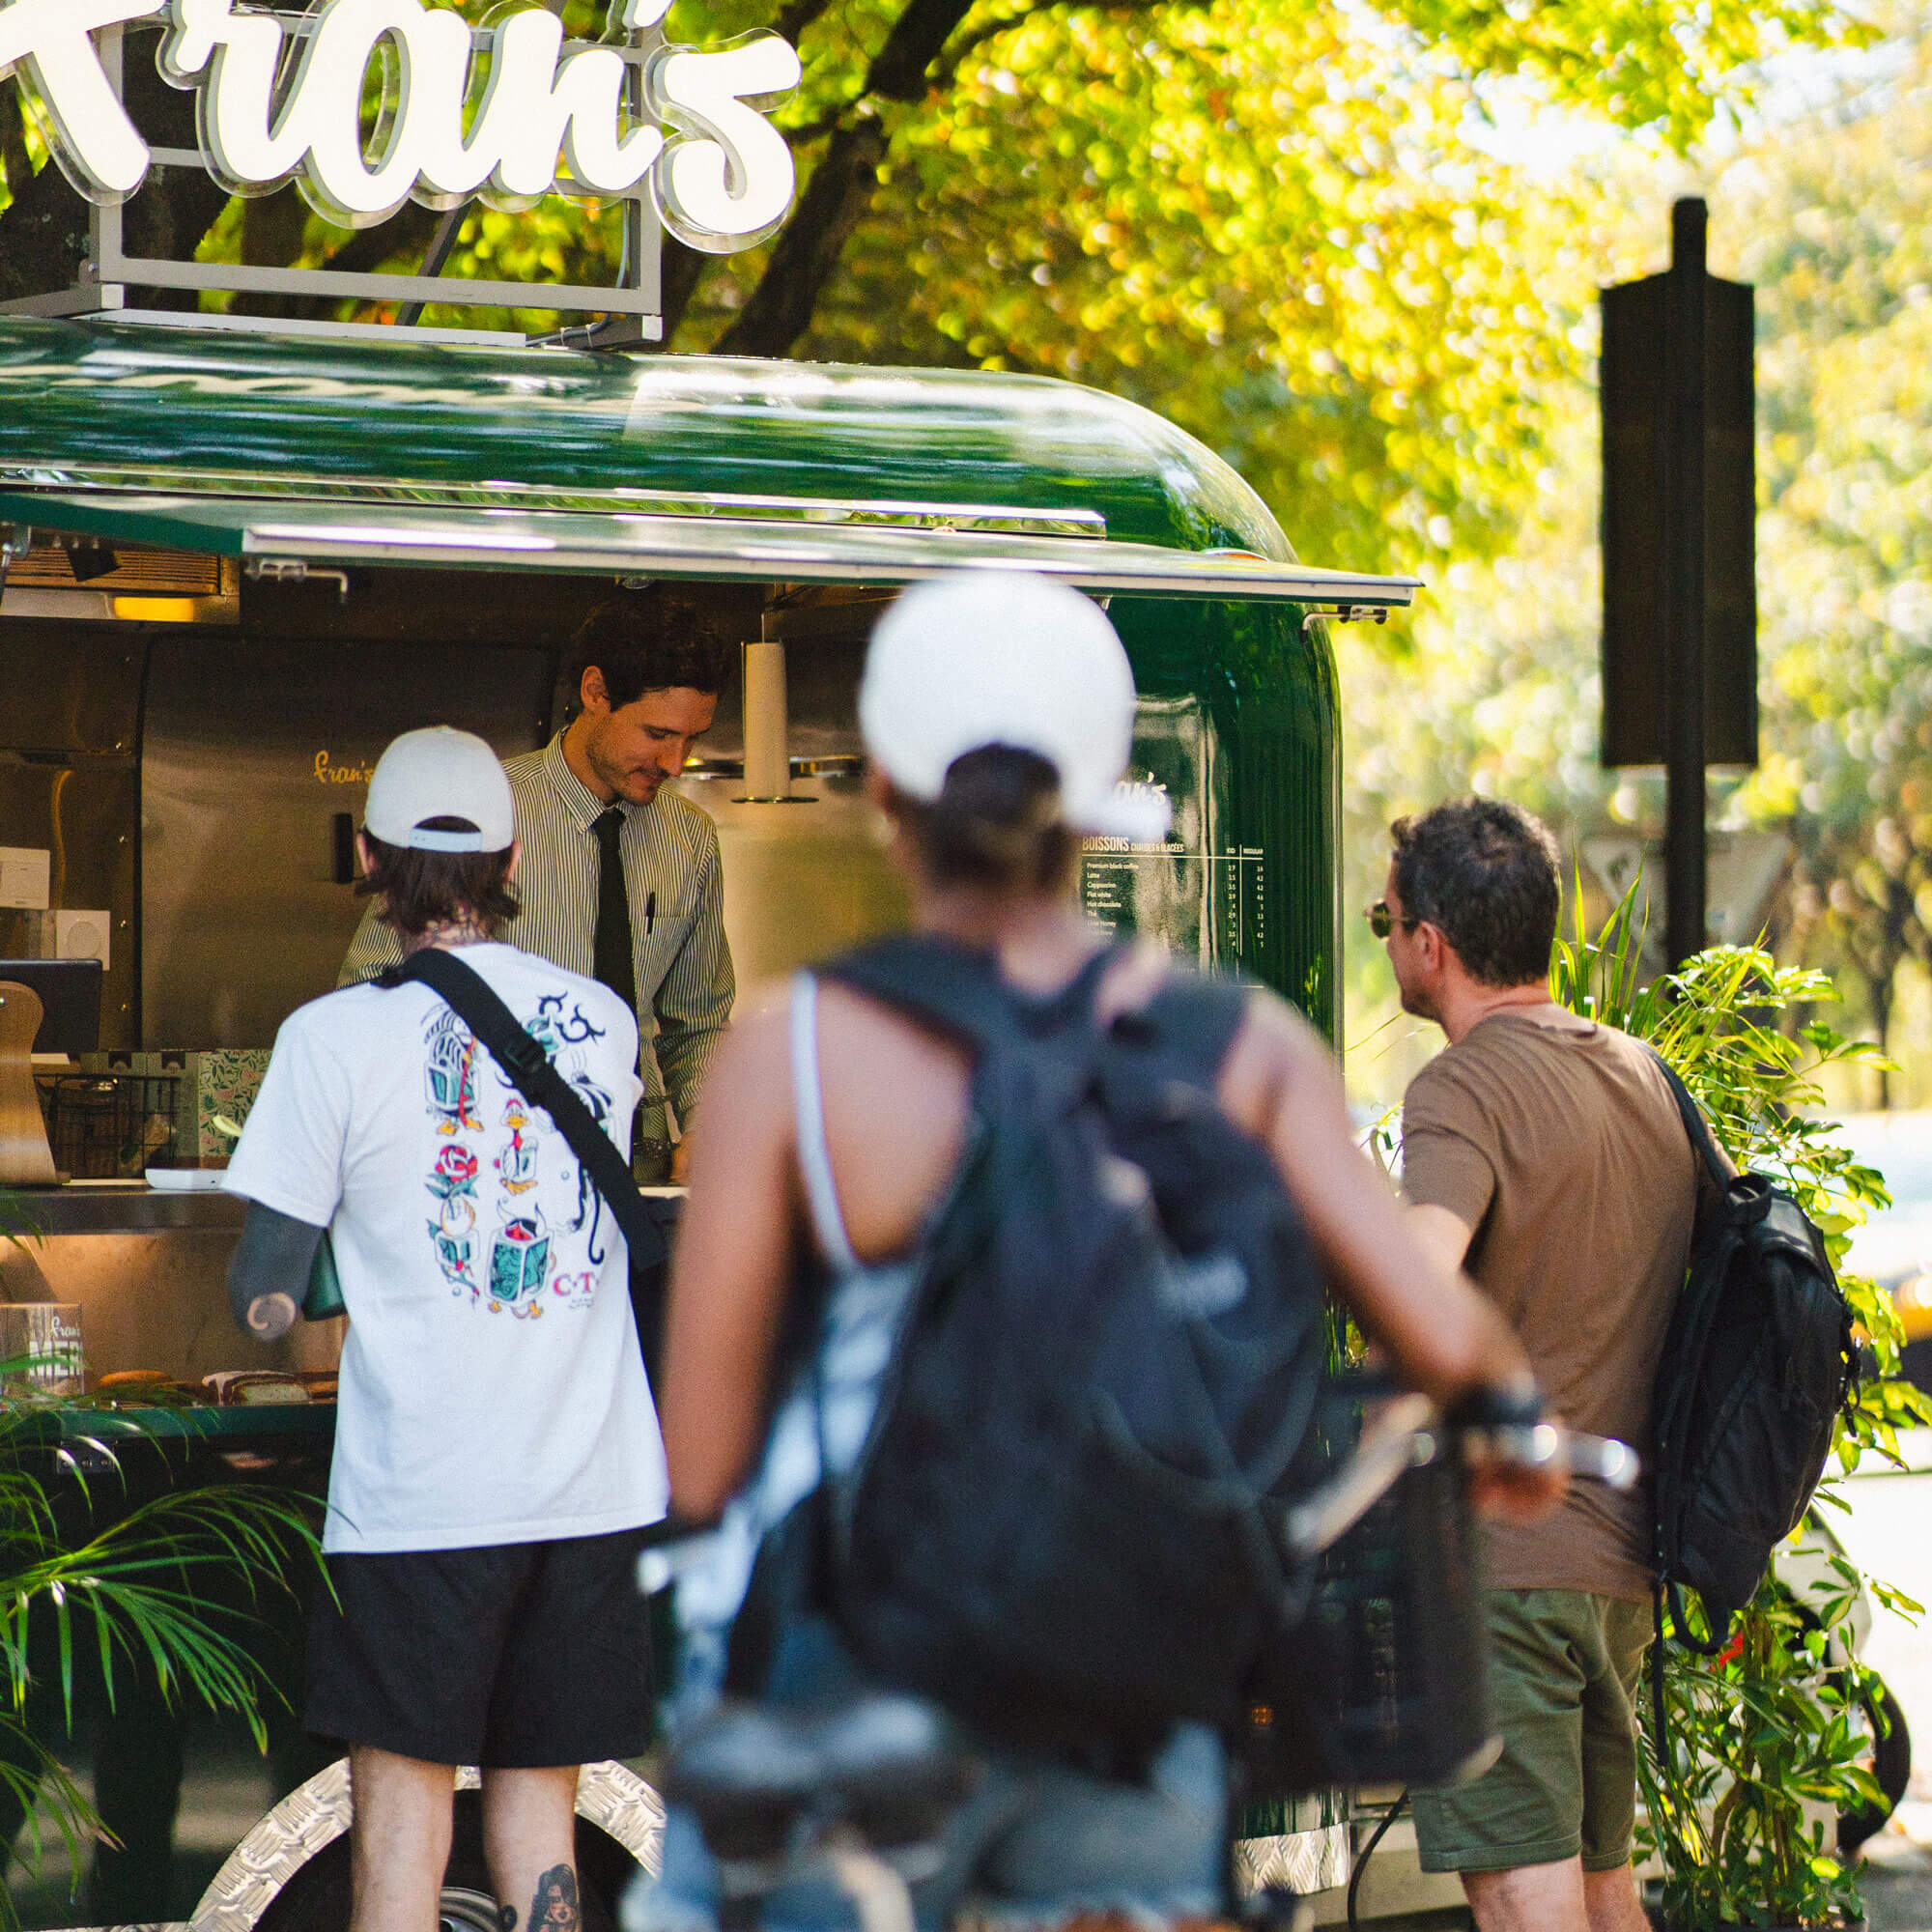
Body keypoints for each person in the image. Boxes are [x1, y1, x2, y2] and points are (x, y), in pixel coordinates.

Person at [632, 572, 1560, 1932]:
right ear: (1099, 802)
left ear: (888, 794)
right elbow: (1449, 1337)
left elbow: (702, 1456)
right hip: (1137, 1706)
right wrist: (1510, 1428)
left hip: (863, 1714)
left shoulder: (797, 1049)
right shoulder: (1244, 1049)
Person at [225, 726, 668, 1932]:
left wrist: (341, 1271)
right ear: (515, 854)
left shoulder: (330, 1037)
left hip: (421, 1497)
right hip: (590, 1490)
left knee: (405, 1832)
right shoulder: (602, 1020)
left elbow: (261, 1289)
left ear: (367, 857)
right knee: (542, 1816)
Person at [1376, 798, 1700, 1932]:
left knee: (1529, 1904)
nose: (1390, 943)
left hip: (1501, 1564)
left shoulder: (1459, 1089)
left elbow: (1419, 1281)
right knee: (1608, 1900)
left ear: (1432, 943)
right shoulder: (1642, 1076)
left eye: (1386, 921)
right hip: (1618, 1562)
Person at [341, 588, 735, 1179]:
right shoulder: (484, 812)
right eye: (658, 734)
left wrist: (706, 1130)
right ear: (595, 692)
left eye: (691, 739)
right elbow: (374, 991)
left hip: (641, 1162)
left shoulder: (691, 840)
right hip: (498, 1157)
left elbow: (698, 1020)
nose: (676, 763)